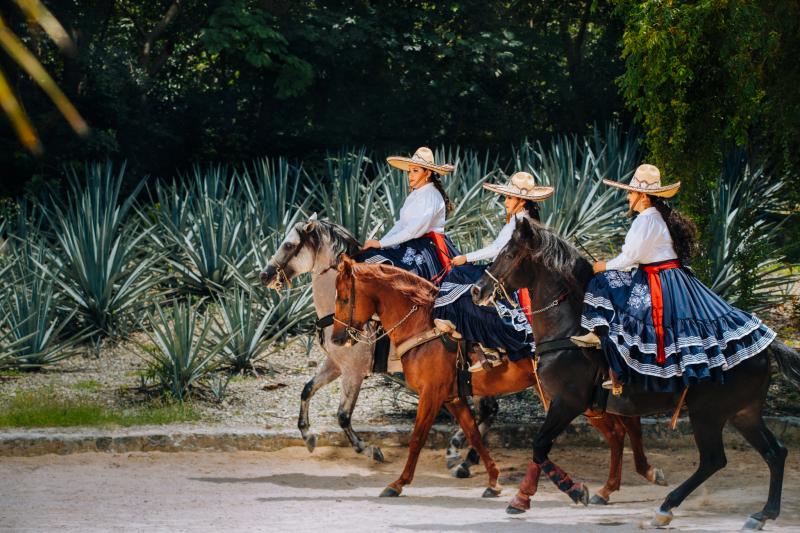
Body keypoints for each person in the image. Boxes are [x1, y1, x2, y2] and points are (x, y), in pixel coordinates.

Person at [571, 164, 776, 393]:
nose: (628, 197)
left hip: (657, 279)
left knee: (602, 282)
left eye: (630, 192)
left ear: (643, 196)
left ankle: (607, 347)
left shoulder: (646, 220)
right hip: (672, 277)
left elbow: (630, 257)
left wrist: (602, 266)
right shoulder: (660, 217)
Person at [432, 171, 554, 372]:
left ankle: (486, 343)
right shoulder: (518, 219)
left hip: (505, 274)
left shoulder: (520, 223)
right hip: (502, 269)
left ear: (522, 202)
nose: (505, 201)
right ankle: (483, 344)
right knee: (463, 277)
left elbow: (497, 249)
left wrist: (466, 257)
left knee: (461, 277)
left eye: (509, 197)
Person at [358, 147, 459, 283]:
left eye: (415, 171)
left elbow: (413, 231)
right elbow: (401, 224)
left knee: (403, 278)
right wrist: (379, 243)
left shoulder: (431, 195)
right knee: (372, 257)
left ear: (427, 173)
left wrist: (381, 243)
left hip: (428, 247)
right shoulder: (415, 194)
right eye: (409, 171)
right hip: (410, 242)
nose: (410, 175)